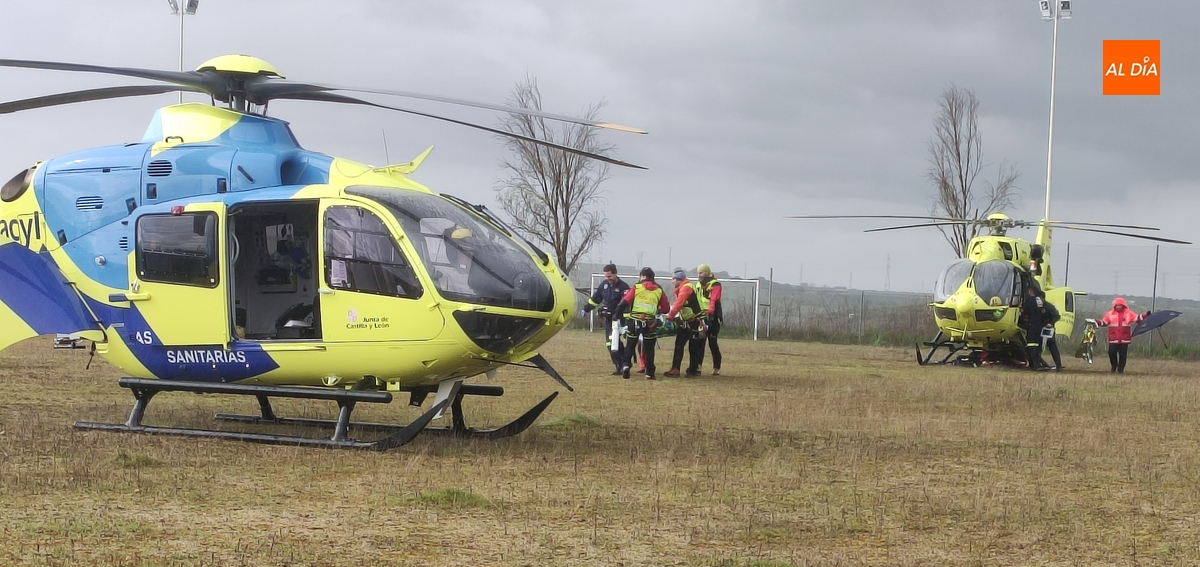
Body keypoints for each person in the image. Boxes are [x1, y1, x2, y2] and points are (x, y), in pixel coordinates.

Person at [615, 268, 669, 379]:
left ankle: (626, 366)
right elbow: (666, 308)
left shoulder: (637, 287)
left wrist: (617, 313)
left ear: (643, 276)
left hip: (634, 320)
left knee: (630, 345)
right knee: (649, 348)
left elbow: (625, 301)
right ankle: (649, 372)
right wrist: (657, 309)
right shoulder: (659, 290)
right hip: (650, 323)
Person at [582, 263, 630, 375]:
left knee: (616, 342)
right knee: (610, 344)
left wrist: (620, 316)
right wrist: (586, 309)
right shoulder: (604, 285)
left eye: (609, 276)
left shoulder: (624, 287)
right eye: (606, 276)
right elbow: (595, 299)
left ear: (615, 274)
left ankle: (624, 364)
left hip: (619, 319)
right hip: (609, 320)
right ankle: (619, 365)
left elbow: (626, 304)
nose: (607, 279)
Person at [663, 268, 706, 377]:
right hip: (686, 321)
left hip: (695, 321)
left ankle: (692, 370)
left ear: (678, 279)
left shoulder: (686, 288)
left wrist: (670, 317)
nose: (672, 281)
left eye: (673, 279)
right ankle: (676, 369)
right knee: (679, 344)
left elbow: (679, 304)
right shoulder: (684, 287)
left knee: (693, 347)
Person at [1096, 297, 1148, 373]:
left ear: (1123, 305)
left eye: (1120, 305)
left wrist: (1146, 315)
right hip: (1113, 338)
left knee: (1123, 355)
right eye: (1117, 305)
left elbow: (1137, 318)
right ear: (1115, 306)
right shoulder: (1110, 314)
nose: (1119, 306)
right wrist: (1097, 322)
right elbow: (1104, 322)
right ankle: (1114, 365)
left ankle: (1121, 369)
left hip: (1124, 338)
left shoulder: (1128, 313)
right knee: (1111, 352)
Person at [695, 264, 723, 375]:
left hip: (713, 318)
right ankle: (698, 367)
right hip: (701, 317)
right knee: (700, 342)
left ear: (707, 272)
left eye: (701, 272)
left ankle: (716, 367)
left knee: (712, 343)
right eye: (698, 273)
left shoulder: (715, 284)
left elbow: (714, 299)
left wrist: (710, 311)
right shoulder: (697, 285)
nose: (699, 275)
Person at [1020, 283, 1049, 370]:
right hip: (1039, 325)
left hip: (1032, 325)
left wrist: (1020, 309)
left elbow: (1024, 310)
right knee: (1036, 345)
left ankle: (1035, 364)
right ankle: (1038, 362)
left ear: (1031, 291)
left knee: (1031, 344)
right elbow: (1043, 311)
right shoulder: (1039, 300)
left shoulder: (1030, 300)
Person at [1039, 290, 1064, 371]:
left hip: (1048, 330)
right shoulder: (1037, 307)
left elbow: (1057, 316)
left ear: (1042, 298)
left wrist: (1051, 323)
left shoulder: (1049, 307)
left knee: (1052, 347)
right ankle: (1039, 364)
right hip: (1039, 330)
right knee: (1038, 348)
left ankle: (1058, 365)